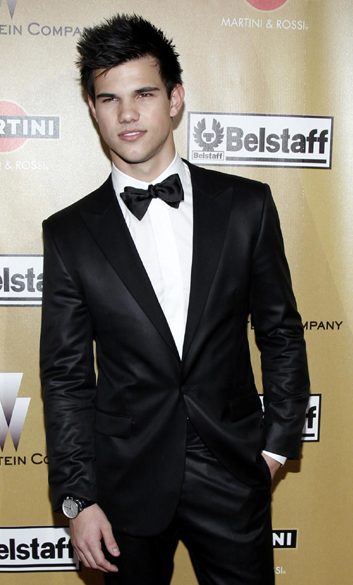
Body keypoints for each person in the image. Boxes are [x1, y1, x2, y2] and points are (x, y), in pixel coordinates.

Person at [40, 14, 310, 585]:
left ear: (175, 98)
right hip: (123, 482)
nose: (127, 113)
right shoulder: (68, 233)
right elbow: (65, 376)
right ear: (92, 109)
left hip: (233, 468)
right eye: (109, 98)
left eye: (144, 93)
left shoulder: (246, 206)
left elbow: (280, 330)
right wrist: (76, 500)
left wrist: (278, 445)